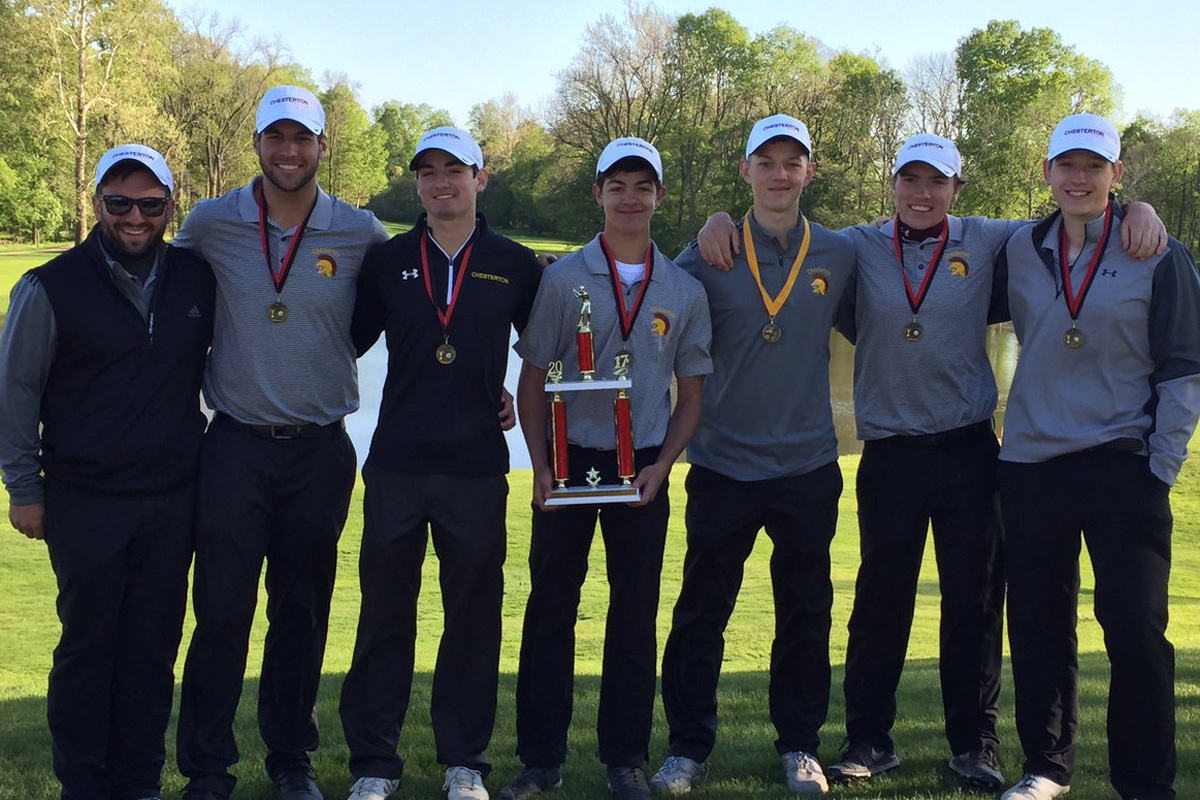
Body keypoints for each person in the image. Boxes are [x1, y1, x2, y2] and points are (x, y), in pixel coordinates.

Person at [687, 131, 1167, 794]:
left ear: (956, 188)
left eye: (936, 181)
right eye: (910, 180)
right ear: (893, 186)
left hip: (969, 450)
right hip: (889, 452)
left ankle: (974, 745)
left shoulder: (992, 239)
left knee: (975, 603)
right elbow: (785, 237)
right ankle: (868, 740)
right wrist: (717, 220)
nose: (922, 193)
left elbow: (1075, 212)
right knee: (880, 602)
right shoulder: (856, 245)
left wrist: (1137, 207)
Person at [172, 85, 390, 800]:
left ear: (323, 145)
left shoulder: (359, 231)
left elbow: (407, 306)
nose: (289, 151)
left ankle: (291, 758)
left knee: (301, 611)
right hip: (234, 446)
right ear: (258, 145)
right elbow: (157, 288)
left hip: (320, 450)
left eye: (302, 138)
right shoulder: (212, 222)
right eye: (276, 137)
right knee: (222, 612)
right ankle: (208, 767)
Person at [648, 114, 856, 797]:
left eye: (792, 162)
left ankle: (800, 746)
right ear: (745, 171)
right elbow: (650, 316)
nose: (779, 174)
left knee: (806, 612)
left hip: (807, 466)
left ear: (809, 172)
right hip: (723, 465)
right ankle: (687, 749)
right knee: (701, 613)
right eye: (765, 162)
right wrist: (706, 225)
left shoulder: (838, 254)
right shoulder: (706, 255)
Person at [498, 137, 711, 800]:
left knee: (634, 615)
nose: (629, 198)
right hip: (568, 461)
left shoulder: (683, 289)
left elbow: (691, 396)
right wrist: (541, 468)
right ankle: (541, 759)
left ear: (659, 196)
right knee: (550, 610)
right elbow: (532, 381)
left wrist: (664, 466)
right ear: (598, 194)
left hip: (641, 466)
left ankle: (626, 758)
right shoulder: (563, 279)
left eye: (642, 186)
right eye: (617, 185)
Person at [0, 144, 214, 800]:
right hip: (83, 499)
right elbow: (16, 393)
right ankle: (84, 784)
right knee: (88, 647)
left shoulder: (196, 278)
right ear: (96, 203)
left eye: (150, 203)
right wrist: (23, 488)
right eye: (119, 202)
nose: (134, 217)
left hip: (171, 499)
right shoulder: (49, 286)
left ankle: (139, 779)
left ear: (170, 207)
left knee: (152, 648)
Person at [996, 113, 1200, 800]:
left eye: (1094, 167)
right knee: (1037, 625)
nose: (1078, 178)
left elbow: (1184, 367)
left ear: (1116, 174)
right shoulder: (1019, 247)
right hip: (1031, 466)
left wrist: (1161, 467)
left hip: (1123, 464)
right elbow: (932, 241)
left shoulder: (1158, 252)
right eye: (1067, 165)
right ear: (1048, 173)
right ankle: (1046, 768)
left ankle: (1145, 783)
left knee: (1137, 631)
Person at [337, 127, 542, 800]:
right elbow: (342, 342)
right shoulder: (387, 259)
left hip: (476, 467)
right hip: (396, 463)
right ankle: (374, 762)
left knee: (473, 619)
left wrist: (512, 394)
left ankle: (464, 761)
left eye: (455, 169)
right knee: (384, 616)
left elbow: (548, 355)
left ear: (480, 178)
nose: (441, 182)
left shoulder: (515, 263)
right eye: (428, 171)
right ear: (418, 184)